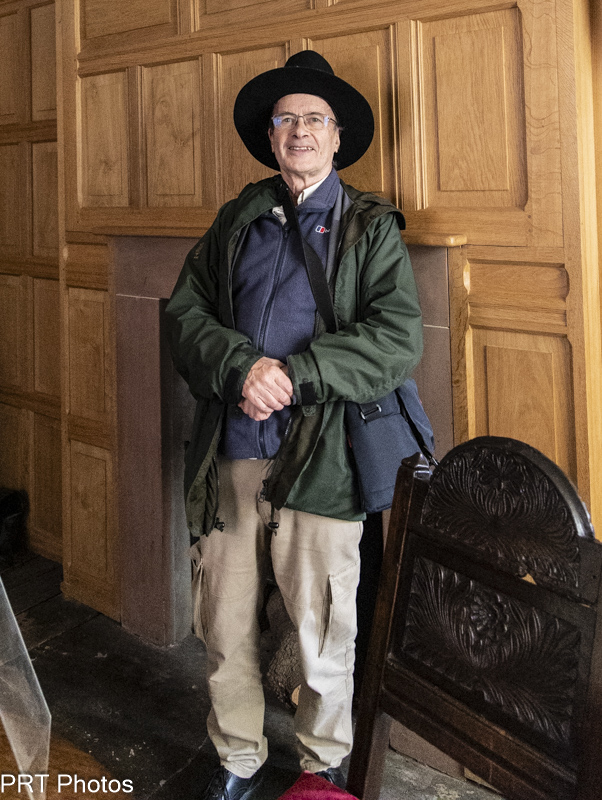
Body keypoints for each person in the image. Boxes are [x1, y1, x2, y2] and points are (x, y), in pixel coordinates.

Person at [165, 50, 423, 800]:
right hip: (233, 452)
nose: (300, 130)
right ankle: (237, 757)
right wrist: (241, 368)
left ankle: (322, 765)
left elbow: (396, 338)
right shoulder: (237, 219)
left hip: (326, 462)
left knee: (322, 630)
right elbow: (185, 314)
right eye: (286, 119)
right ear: (270, 136)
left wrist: (295, 375)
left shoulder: (369, 226)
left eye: (315, 118)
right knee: (224, 623)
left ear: (337, 137)